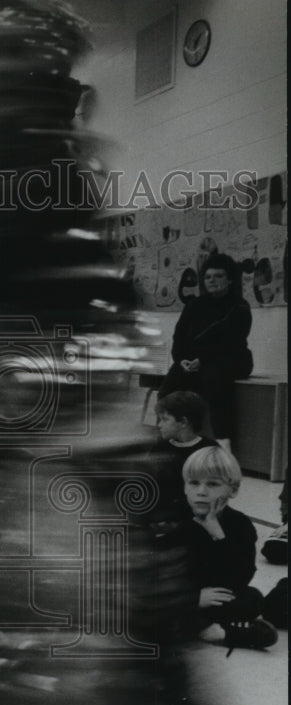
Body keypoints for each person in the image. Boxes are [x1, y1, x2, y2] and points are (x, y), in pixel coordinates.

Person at [177, 447, 277, 650]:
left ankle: (202, 629)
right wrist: (193, 598)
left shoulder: (240, 524)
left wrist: (218, 536)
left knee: (253, 598)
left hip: (215, 598)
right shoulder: (176, 520)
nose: (201, 491)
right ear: (185, 487)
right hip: (178, 598)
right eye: (194, 483)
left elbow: (240, 578)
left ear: (233, 490)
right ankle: (223, 633)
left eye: (212, 484)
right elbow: (159, 574)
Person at [158, 253, 252, 452]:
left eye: (218, 276)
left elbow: (231, 343)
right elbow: (179, 337)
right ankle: (170, 438)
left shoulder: (240, 306)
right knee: (169, 387)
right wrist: (181, 360)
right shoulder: (195, 305)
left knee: (215, 379)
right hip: (193, 362)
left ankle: (224, 445)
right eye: (208, 277)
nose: (212, 281)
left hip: (230, 359)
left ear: (230, 279)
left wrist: (203, 360)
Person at [149, 391, 218, 521]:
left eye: (165, 419)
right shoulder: (159, 447)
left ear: (183, 422)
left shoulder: (209, 451)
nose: (159, 425)